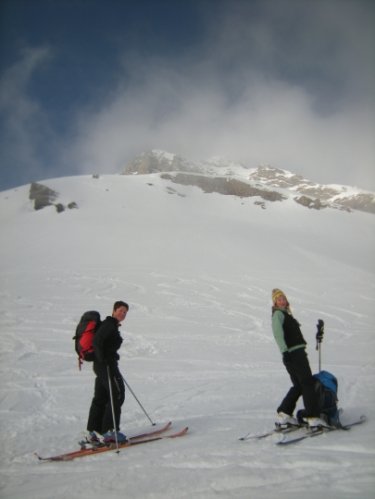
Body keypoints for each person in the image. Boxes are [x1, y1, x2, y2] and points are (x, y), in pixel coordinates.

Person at [271, 289, 326, 428]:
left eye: (283, 298)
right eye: (279, 299)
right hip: (294, 354)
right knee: (307, 383)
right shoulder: (278, 314)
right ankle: (313, 417)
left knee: (299, 385)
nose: (282, 301)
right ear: (275, 302)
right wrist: (285, 352)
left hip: (293, 354)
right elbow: (278, 334)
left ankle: (284, 414)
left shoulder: (286, 314)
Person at [86, 301, 129, 443]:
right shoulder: (109, 324)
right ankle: (109, 432)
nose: (123, 314)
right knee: (116, 394)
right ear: (114, 310)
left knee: (101, 397)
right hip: (105, 366)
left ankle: (93, 432)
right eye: (121, 310)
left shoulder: (111, 325)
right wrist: (103, 360)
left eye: (125, 312)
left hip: (102, 366)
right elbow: (97, 341)